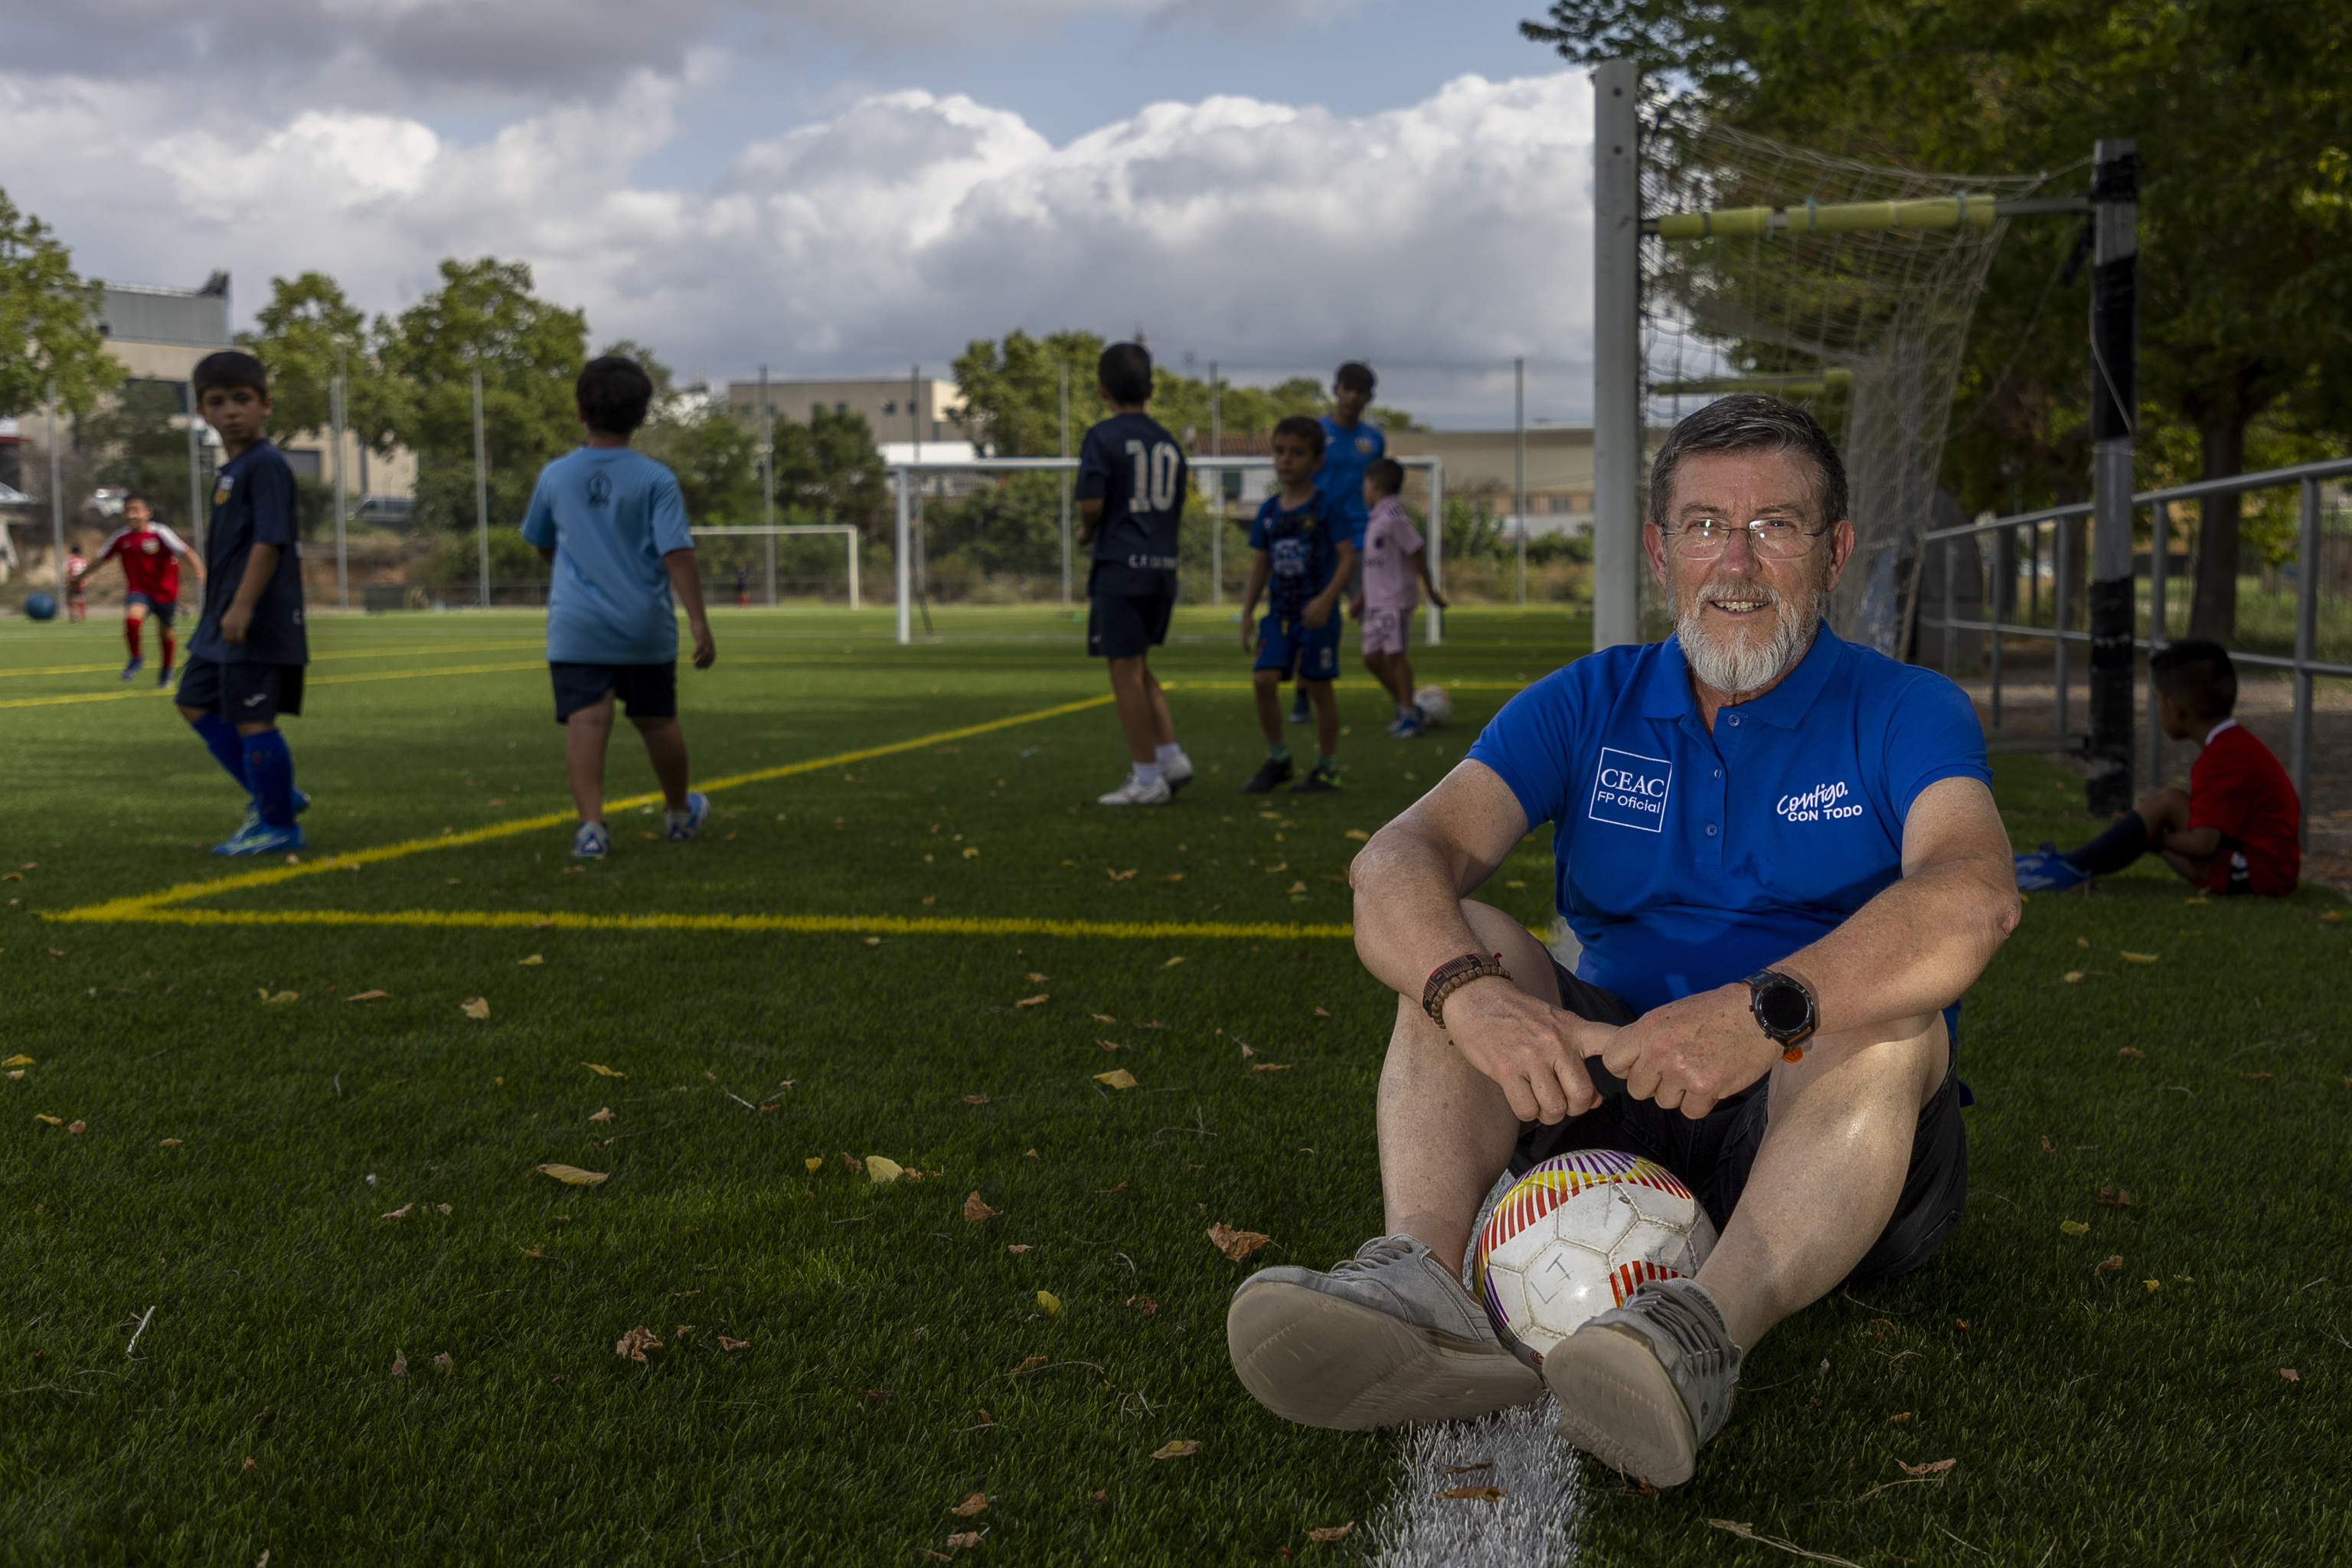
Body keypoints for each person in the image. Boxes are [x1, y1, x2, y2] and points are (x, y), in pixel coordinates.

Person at [1224, 394, 2019, 1488]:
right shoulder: (1589, 701)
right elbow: (1396, 864)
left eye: (1774, 527)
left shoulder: (1904, 708)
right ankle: (1421, 1284)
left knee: (1890, 1022)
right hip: (1611, 1094)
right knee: (1475, 939)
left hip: (1822, 1124)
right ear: (1659, 550)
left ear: (1832, 553)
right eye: (1703, 527)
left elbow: (1972, 894)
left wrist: (1764, 1012)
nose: (1734, 564)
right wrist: (1471, 995)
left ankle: (1700, 1340)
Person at [521, 354, 716, 861]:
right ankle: (678, 815)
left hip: (578, 624)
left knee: (587, 722)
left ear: (580, 409)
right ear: (643, 415)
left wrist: (571, 566)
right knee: (657, 720)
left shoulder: (556, 475)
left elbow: (541, 540)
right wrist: (698, 620)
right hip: (643, 625)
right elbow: (677, 552)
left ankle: (591, 829)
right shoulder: (656, 479)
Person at [2016, 640, 2299, 895]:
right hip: (2266, 867)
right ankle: (2070, 864)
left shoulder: (2222, 759)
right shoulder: (2236, 745)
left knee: (2168, 802)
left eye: (2158, 701)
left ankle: (2067, 870)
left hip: (2259, 874)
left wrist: (2156, 839)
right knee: (2171, 801)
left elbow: (2204, 844)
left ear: (2177, 709)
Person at [174, 351, 312, 855]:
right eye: (217, 402)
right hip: (222, 618)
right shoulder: (232, 470)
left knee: (254, 719)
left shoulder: (267, 466)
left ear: (265, 405)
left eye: (242, 399)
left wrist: (242, 605)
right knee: (193, 699)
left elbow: (269, 540)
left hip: (253, 617)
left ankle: (278, 826)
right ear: (203, 412)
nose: (231, 410)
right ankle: (274, 792)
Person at [1076, 341, 1195, 807]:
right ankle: (1169, 756)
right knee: (1139, 663)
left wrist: (1088, 531)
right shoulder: (1168, 441)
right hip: (1162, 567)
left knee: (1123, 668)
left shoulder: (1102, 437)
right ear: (1151, 388)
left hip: (1120, 566)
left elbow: (1091, 503)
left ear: (1102, 389)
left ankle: (1146, 780)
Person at [1241, 416, 1357, 795]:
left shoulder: (1327, 507)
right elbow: (1261, 565)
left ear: (1317, 461)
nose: (1286, 460)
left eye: (1297, 453)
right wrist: (1246, 614)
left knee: (1320, 688)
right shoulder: (1269, 511)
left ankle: (1326, 769)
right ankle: (1278, 759)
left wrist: (1327, 600)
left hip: (1317, 616)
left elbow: (1346, 558)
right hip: (1280, 615)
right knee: (1263, 680)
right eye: (1279, 452)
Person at [1291, 362, 1384, 726]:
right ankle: (1301, 696)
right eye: (1347, 389)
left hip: (1362, 540)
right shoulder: (1315, 432)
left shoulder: (1374, 440)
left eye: (1360, 391)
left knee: (1375, 622)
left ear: (1369, 397)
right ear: (1336, 390)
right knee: (1310, 617)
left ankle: (1401, 702)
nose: (1352, 397)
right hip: (1318, 538)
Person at [1355, 458, 1446, 737]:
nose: (1363, 491)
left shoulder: (1395, 519)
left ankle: (1409, 715)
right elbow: (1374, 566)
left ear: (1375, 484)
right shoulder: (1376, 520)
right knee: (1371, 658)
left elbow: (1416, 552)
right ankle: (1407, 705)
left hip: (1394, 600)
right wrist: (1361, 597)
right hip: (1375, 603)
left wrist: (1431, 590)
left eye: (1365, 486)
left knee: (1395, 656)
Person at [75, 495, 203, 685]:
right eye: (127, 510)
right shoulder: (121, 537)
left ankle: (166, 672)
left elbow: (185, 551)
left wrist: (200, 571)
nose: (130, 514)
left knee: (165, 632)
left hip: (165, 591)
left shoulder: (160, 532)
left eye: (135, 510)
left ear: (147, 513)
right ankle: (136, 657)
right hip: (139, 590)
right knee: (132, 620)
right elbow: (100, 559)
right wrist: (79, 578)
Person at [64, 550, 88, 622]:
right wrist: (85, 580)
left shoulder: (71, 560)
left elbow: (69, 571)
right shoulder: (83, 560)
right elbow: (87, 569)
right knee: (80, 597)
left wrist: (67, 581)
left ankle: (72, 614)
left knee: (69, 597)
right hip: (81, 580)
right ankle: (81, 615)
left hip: (73, 580)